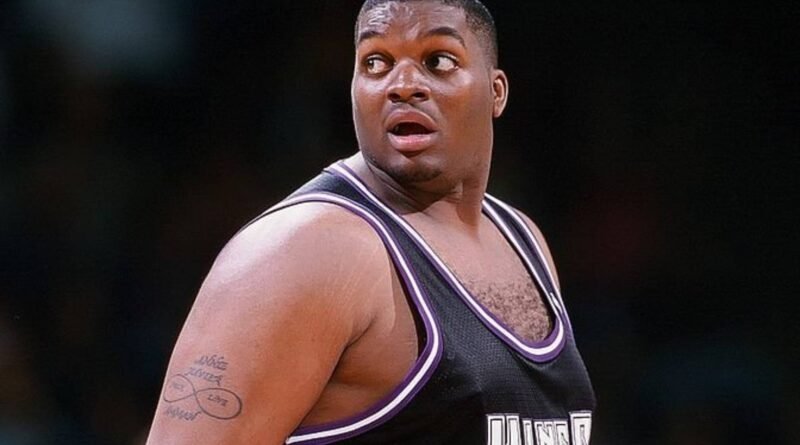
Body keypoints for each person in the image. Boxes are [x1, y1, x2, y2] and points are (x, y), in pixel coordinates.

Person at [146, 1, 595, 444]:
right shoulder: (305, 250)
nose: (403, 85)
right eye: (376, 62)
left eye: (438, 61)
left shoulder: (522, 239)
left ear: (496, 92)